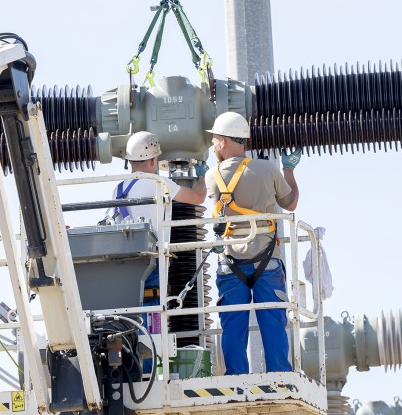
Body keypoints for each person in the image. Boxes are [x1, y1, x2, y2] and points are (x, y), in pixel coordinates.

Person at [204, 112, 302, 375]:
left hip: (230, 264)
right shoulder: (267, 169)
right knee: (272, 321)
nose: (213, 145)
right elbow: (290, 203)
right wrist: (289, 169)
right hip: (267, 261)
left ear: (224, 141)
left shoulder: (211, 176)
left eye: (214, 139)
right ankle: (280, 376)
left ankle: (236, 378)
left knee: (233, 325)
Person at [112, 131, 206, 373]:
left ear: (129, 160)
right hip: (152, 262)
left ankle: (132, 371)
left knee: (129, 317)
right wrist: (203, 176)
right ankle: (149, 372)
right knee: (153, 317)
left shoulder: (119, 188)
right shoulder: (159, 183)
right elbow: (196, 198)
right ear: (154, 160)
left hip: (125, 263)